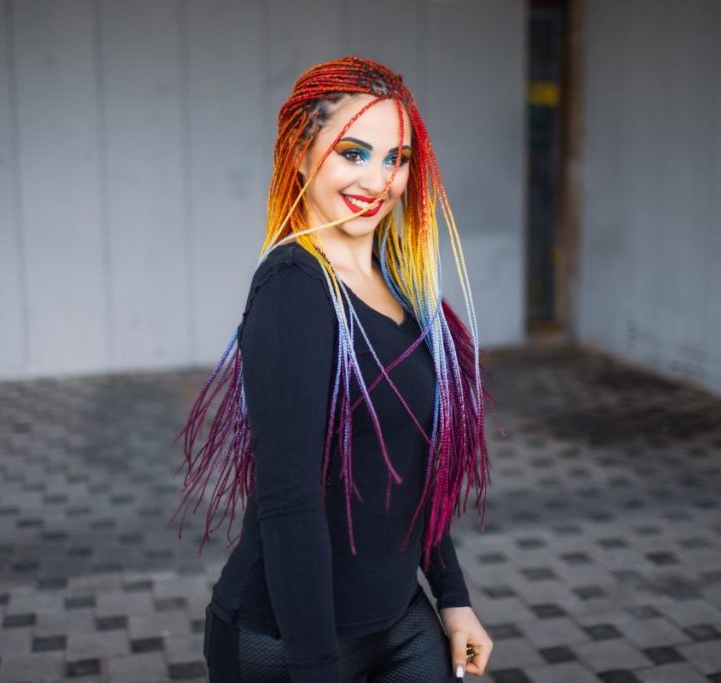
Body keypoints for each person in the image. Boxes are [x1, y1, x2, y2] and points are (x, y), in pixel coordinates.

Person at [171, 56, 495, 682]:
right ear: (298, 151)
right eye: (353, 152)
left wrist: (452, 598)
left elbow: (412, 475)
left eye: (396, 159)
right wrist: (316, 668)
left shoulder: (402, 286)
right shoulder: (294, 288)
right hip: (290, 643)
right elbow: (288, 501)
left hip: (402, 621)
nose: (378, 180)